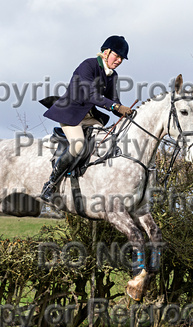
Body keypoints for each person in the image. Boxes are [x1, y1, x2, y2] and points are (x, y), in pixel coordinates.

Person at [40, 35, 134, 202]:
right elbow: (90, 94)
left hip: (89, 116)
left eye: (122, 58)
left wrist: (126, 112)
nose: (119, 60)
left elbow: (114, 101)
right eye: (117, 56)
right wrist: (115, 107)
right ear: (106, 52)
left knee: (106, 142)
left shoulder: (112, 75)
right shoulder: (88, 65)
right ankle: (50, 184)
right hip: (70, 113)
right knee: (78, 145)